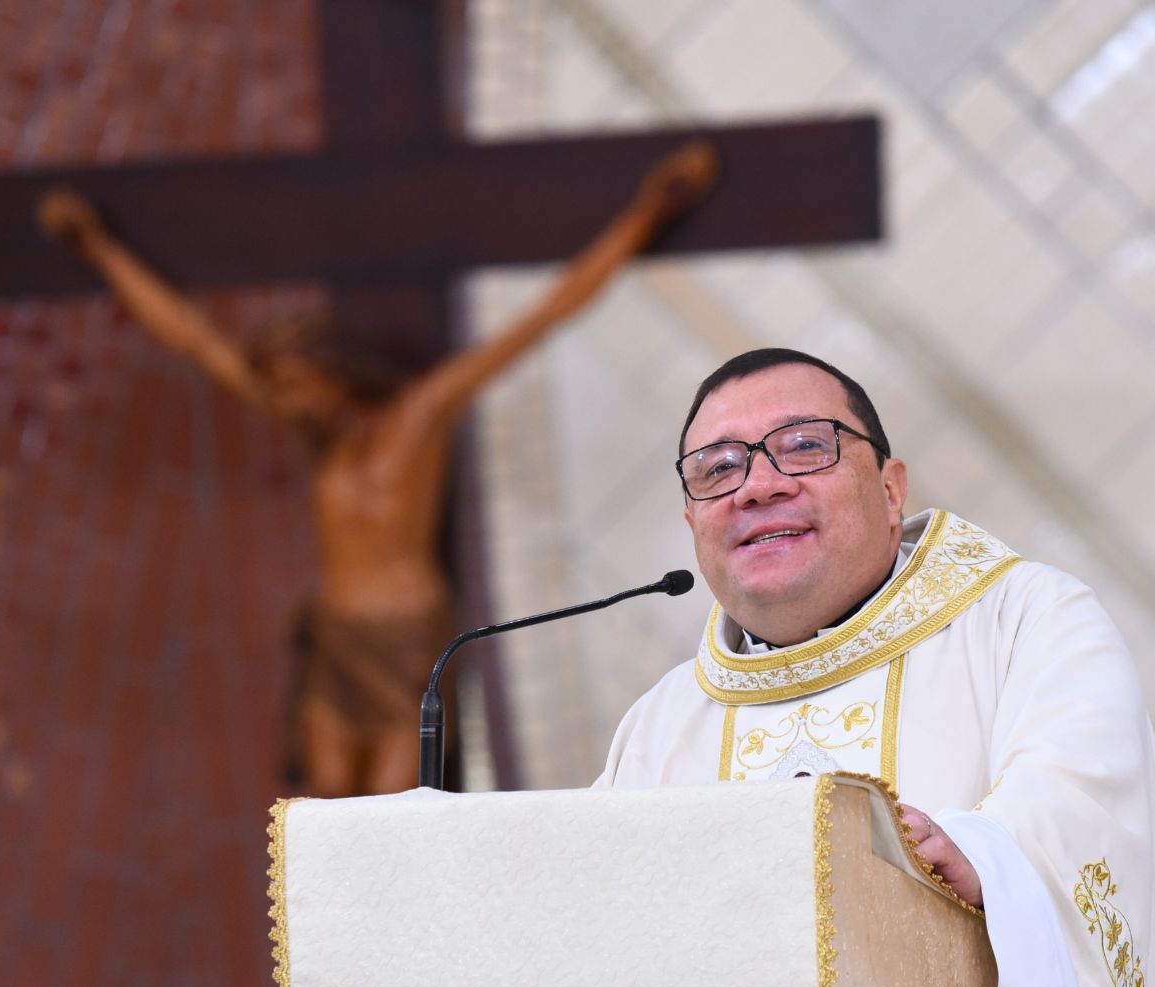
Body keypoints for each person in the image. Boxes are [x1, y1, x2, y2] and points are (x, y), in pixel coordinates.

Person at [595, 348, 1155, 987]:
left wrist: (979, 857)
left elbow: (1079, 796)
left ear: (891, 490)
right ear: (693, 520)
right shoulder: (659, 727)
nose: (757, 487)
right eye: (718, 468)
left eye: (802, 446)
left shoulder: (1024, 619)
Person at [39, 141, 720, 797]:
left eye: (291, 383)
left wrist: (648, 212)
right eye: (273, 388)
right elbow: (194, 339)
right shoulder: (317, 439)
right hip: (339, 633)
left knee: (394, 803)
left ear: (330, 374)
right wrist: (95, 245)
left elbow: (545, 313)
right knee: (329, 796)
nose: (279, 400)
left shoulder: (419, 418)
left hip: (408, 633)